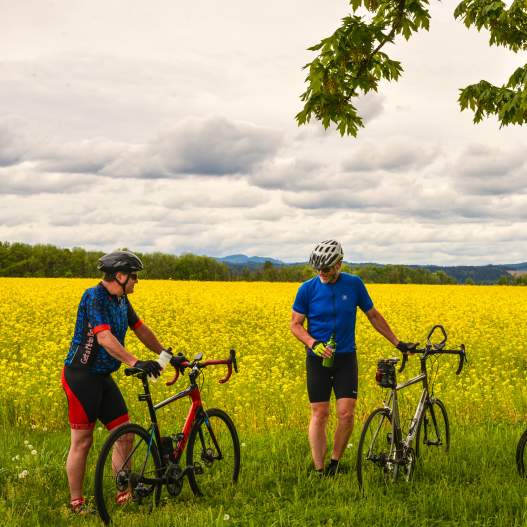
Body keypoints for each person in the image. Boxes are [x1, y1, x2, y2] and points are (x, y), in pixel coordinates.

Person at [290, 240, 415, 476]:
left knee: (346, 413)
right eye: (318, 270)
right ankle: (318, 469)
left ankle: (335, 464)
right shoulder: (307, 289)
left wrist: (398, 343)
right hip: (317, 359)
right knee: (320, 412)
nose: (322, 274)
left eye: (326, 269)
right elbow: (295, 325)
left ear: (338, 264)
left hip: (346, 357)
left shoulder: (354, 284)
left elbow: (374, 316)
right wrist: (313, 344)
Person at [61, 250, 168, 513]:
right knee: (83, 440)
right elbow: (104, 338)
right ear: (119, 276)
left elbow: (141, 329)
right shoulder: (93, 296)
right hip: (81, 377)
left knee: (125, 434)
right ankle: (76, 503)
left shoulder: (121, 300)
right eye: (133, 276)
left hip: (103, 377)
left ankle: (123, 494)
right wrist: (134, 362)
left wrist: (166, 354)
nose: (136, 282)